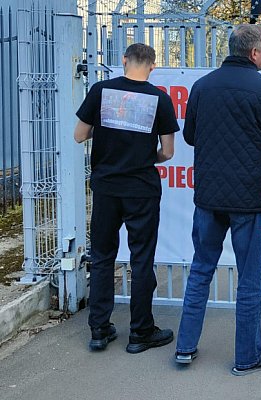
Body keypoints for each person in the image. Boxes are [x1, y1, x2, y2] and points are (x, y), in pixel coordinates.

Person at [174, 24, 261, 376]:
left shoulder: (202, 86)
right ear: (255, 53)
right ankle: (247, 357)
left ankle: (185, 346)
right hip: (248, 198)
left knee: (201, 270)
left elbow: (190, 136)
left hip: (210, 196)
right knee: (249, 280)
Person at [75, 43, 178, 353]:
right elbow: (169, 152)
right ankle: (141, 332)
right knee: (141, 259)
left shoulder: (100, 90)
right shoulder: (159, 99)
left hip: (106, 187)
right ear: (152, 66)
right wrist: (148, 156)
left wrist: (105, 131)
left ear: (123, 61)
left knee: (103, 257)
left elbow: (80, 135)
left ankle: (99, 329)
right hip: (141, 189)